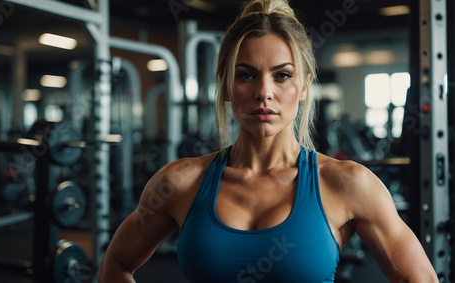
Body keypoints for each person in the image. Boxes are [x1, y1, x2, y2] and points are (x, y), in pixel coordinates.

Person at [98, 0, 438, 282]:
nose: (264, 92)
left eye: (282, 75)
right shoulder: (179, 182)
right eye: (246, 75)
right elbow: (116, 263)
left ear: (304, 86)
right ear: (227, 86)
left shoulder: (347, 184)